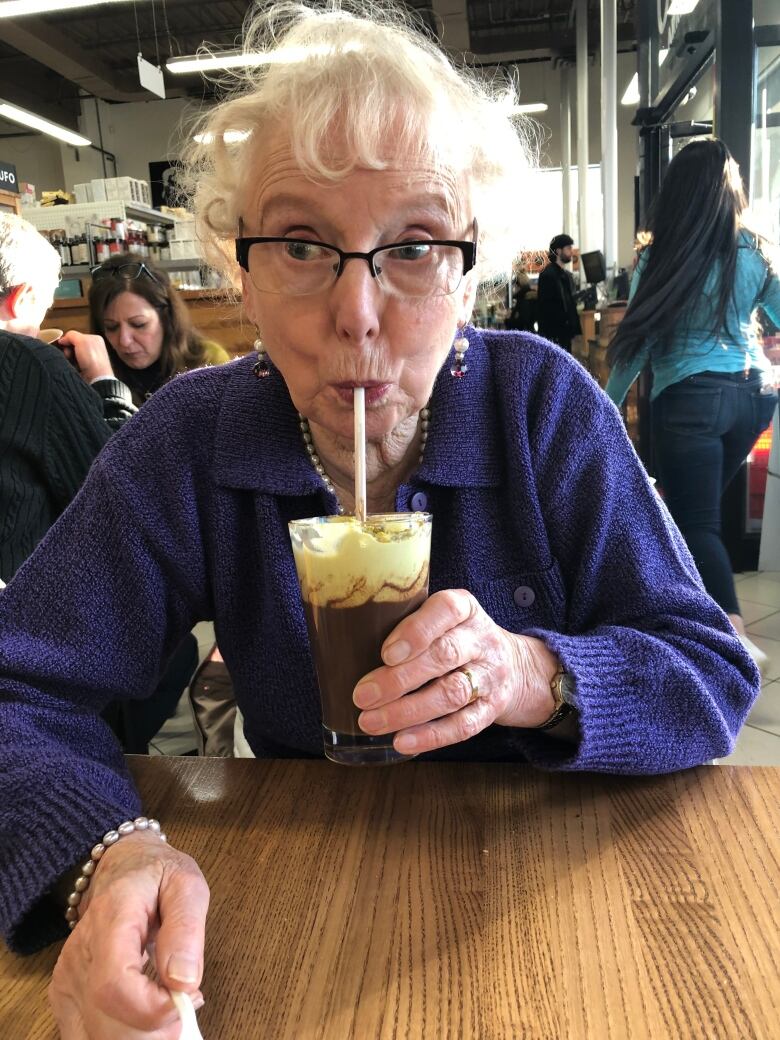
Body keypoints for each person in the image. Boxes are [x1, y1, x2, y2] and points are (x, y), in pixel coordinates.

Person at [0, 5, 759, 1035]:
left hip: (559, 902)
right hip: (309, 901)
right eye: (304, 243)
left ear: (468, 268)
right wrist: (107, 852)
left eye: (412, 247)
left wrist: (536, 673)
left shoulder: (541, 409)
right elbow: (19, 687)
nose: (357, 311)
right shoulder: (193, 436)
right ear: (242, 271)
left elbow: (709, 672)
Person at [605, 139, 780, 674]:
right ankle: (690, 620)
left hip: (690, 401)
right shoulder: (755, 250)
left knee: (694, 521)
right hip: (752, 399)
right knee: (691, 520)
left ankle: (733, 635)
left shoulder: (661, 255)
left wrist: (605, 407)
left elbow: (636, 343)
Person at [0, 213, 136, 582]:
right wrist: (105, 382)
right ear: (23, 297)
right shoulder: (27, 359)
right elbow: (120, 497)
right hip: (26, 617)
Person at [88, 254, 231, 407]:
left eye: (139, 324)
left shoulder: (209, 361)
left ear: (167, 317)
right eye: (111, 327)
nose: (124, 340)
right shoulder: (96, 375)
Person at [536, 233, 581, 350]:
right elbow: (547, 308)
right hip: (555, 336)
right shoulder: (548, 275)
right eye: (568, 248)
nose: (572, 251)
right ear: (558, 251)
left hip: (563, 334)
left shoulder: (564, 275)